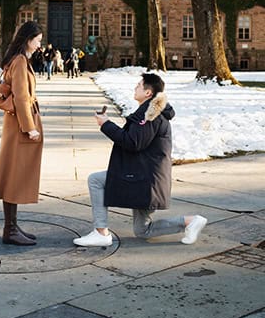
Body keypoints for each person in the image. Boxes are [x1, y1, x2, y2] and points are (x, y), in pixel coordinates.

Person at [74, 73, 207, 247]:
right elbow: (136, 139)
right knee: (143, 231)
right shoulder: (151, 112)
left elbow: (133, 142)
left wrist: (106, 124)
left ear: (148, 93)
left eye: (138, 85)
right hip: (145, 175)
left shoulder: (150, 115)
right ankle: (190, 221)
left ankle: (101, 232)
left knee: (96, 180)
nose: (135, 87)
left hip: (143, 178)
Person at [0, 21, 43, 246]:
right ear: (28, 39)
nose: (40, 45)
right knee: (14, 175)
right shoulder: (20, 61)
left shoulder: (19, 60)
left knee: (13, 173)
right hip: (19, 125)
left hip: (14, 123)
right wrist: (29, 127)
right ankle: (10, 230)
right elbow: (21, 97)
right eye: (38, 40)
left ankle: (11, 226)